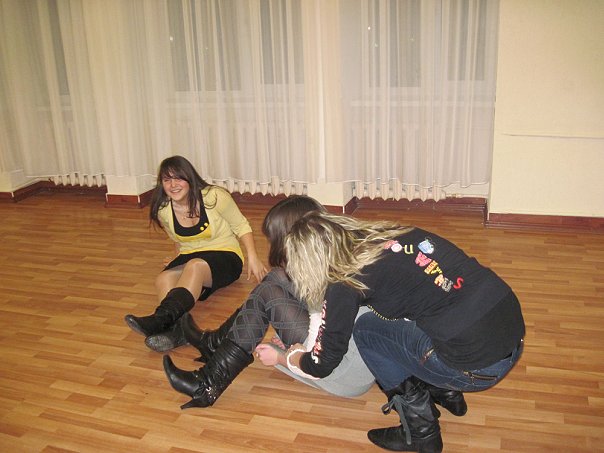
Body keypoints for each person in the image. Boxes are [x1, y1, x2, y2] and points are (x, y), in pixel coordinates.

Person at [282, 211, 525, 453]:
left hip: (477, 368)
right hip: (511, 331)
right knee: (413, 314)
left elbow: (323, 364)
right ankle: (444, 391)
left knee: (366, 330)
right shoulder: (398, 234)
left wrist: (294, 357)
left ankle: (421, 432)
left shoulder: (344, 283)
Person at [156, 195, 375, 409]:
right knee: (277, 276)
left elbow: (318, 355)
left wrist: (281, 356)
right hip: (348, 346)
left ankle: (207, 384)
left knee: (268, 293)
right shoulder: (334, 252)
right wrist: (287, 333)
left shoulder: (328, 277)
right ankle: (214, 344)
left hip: (344, 370)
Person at [124, 155, 267, 346]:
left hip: (225, 254)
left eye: (178, 178)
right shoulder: (163, 209)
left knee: (195, 266)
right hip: (190, 254)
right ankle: (177, 332)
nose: (173, 185)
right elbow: (176, 239)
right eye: (167, 180)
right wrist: (175, 258)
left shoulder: (214, 197)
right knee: (163, 278)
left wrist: (253, 257)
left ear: (190, 178)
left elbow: (241, 225)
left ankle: (160, 320)